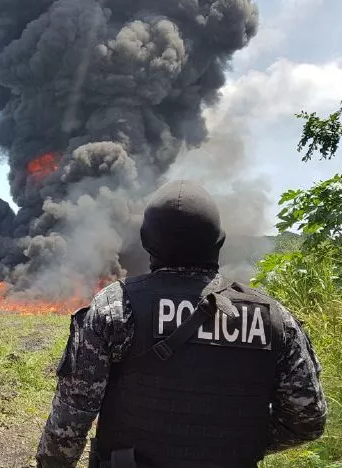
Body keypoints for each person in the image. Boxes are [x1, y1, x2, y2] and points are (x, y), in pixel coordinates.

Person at [36, 179, 327, 468]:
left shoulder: (116, 306)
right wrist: (239, 444)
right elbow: (307, 421)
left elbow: (71, 419)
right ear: (219, 242)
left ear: (148, 243)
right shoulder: (273, 318)